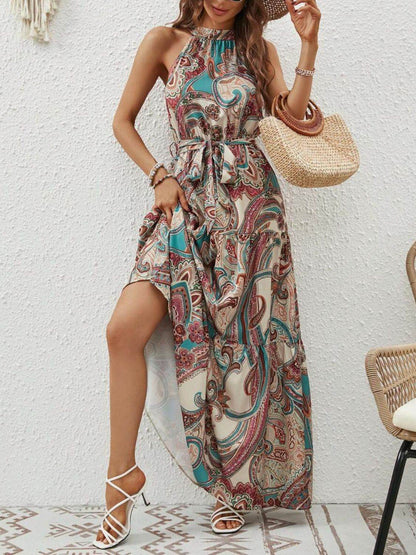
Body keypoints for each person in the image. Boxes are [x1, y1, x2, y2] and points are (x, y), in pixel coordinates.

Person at [93, 0, 321, 548]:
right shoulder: (163, 42)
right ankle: (121, 476)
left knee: (240, 349)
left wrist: (308, 45)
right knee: (123, 329)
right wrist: (159, 175)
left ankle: (232, 489)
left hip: (251, 211)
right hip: (185, 204)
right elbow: (122, 121)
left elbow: (291, 117)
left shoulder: (259, 50)